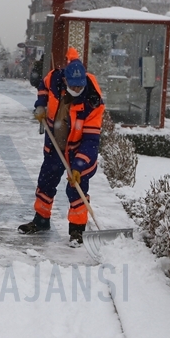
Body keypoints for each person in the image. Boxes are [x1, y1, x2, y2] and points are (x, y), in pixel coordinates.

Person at [18, 48, 104, 246]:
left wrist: (79, 166)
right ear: (65, 81)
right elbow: (43, 86)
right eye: (72, 86)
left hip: (78, 149)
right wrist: (40, 105)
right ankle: (41, 220)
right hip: (55, 144)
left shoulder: (93, 103)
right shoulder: (55, 80)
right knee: (46, 181)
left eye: (79, 87)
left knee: (77, 189)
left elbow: (91, 140)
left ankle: (77, 231)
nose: (76, 90)